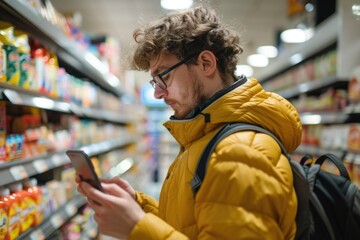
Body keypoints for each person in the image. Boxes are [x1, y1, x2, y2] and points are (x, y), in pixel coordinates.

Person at [76, 5, 302, 240]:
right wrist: (138, 208)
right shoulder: (207, 136)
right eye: (156, 82)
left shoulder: (240, 153)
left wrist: (137, 228)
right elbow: (195, 224)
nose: (158, 94)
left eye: (164, 76)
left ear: (205, 63)